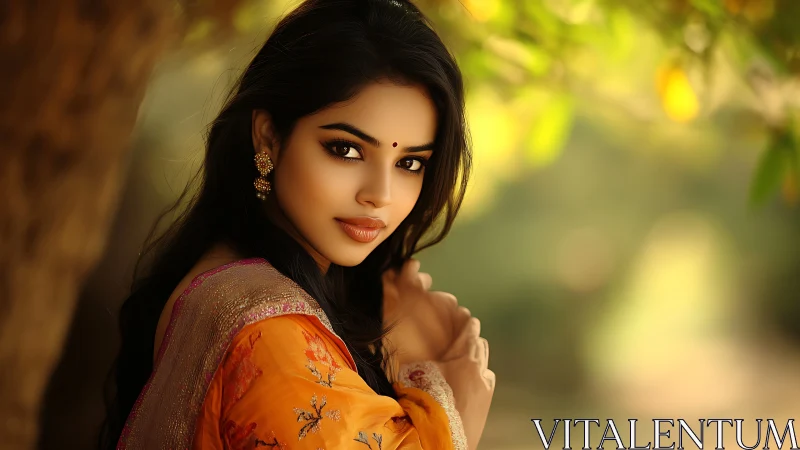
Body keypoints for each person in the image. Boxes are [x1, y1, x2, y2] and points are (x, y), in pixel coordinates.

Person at [99, 0, 495, 448]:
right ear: (268, 135)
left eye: (409, 162)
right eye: (346, 150)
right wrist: (453, 407)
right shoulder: (270, 334)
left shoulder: (222, 276)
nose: (380, 194)